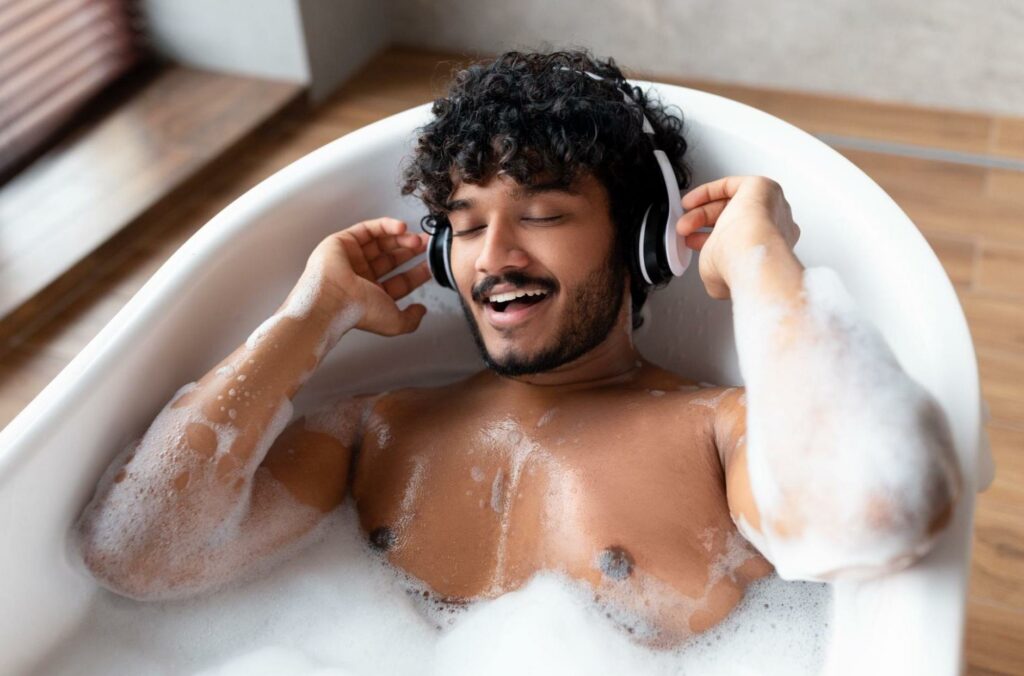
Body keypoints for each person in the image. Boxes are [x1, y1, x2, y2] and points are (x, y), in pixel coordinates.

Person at [76, 49, 962, 645]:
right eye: (462, 228)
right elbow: (136, 555)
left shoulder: (717, 433)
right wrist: (305, 324)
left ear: (645, 240)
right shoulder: (378, 428)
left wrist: (761, 260)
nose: (495, 258)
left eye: (541, 215)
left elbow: (879, 510)